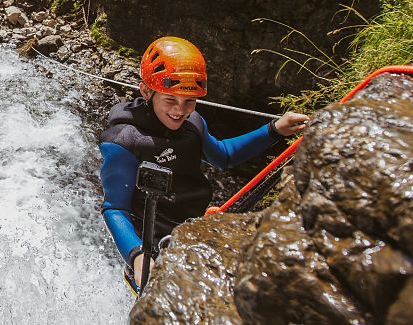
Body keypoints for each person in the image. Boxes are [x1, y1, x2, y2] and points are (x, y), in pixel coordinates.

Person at [98, 36, 310, 295]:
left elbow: (224, 156)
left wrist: (275, 130)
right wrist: (138, 256)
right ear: (146, 92)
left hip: (191, 232)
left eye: (189, 101)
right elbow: (114, 209)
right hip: (150, 249)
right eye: (170, 100)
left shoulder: (193, 123)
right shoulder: (123, 142)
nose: (180, 110)